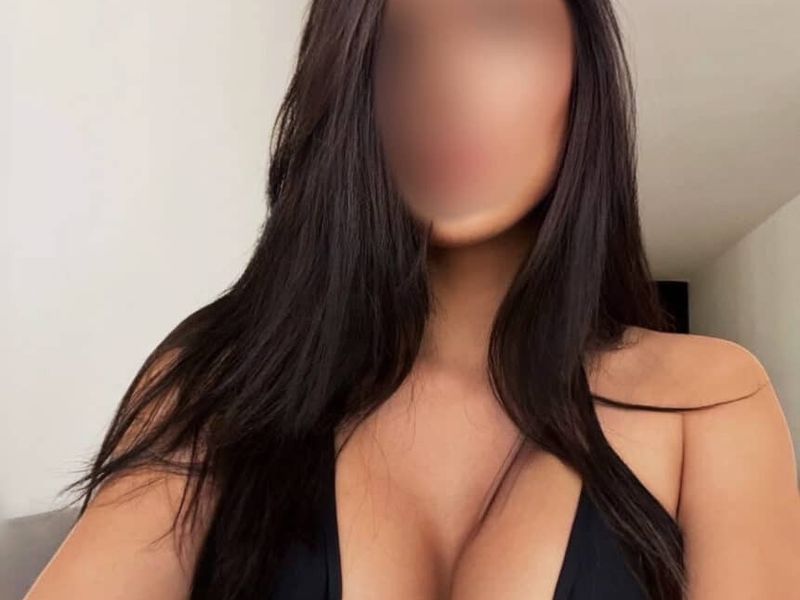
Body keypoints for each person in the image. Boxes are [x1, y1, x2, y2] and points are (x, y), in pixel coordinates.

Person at [25, 0, 799, 599]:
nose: (444, 87)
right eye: (393, 42)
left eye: (499, 24)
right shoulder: (222, 379)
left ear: (580, 63)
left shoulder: (707, 400)